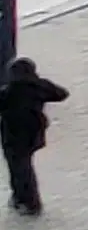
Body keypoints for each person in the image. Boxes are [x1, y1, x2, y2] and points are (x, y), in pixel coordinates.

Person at [1, 54, 63, 216]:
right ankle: (24, 199)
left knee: (19, 169)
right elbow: (61, 94)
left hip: (13, 135)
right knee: (25, 166)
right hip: (34, 133)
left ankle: (27, 201)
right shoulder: (38, 87)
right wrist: (40, 83)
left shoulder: (9, 91)